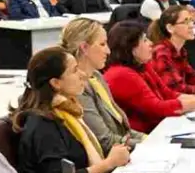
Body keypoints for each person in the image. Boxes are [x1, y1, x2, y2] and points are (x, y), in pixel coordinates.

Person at [12, 47, 131, 173]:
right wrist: (109, 163)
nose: (82, 75)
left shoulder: (69, 111)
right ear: (56, 83)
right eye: (75, 71)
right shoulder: (43, 124)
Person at [103, 21, 195, 133]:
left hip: (158, 128)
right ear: (131, 47)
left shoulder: (143, 64)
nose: (151, 43)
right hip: (143, 137)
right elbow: (157, 108)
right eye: (145, 40)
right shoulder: (121, 74)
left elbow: (167, 93)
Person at [61, 18, 147, 150]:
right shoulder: (78, 87)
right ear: (84, 47)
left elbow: (124, 132)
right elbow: (105, 140)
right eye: (102, 44)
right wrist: (150, 144)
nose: (108, 51)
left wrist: (149, 139)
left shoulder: (97, 76)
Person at [147, 4, 195, 99]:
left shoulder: (180, 50)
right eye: (186, 22)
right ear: (170, 28)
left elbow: (192, 78)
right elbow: (175, 90)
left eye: (191, 20)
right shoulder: (161, 52)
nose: (191, 25)